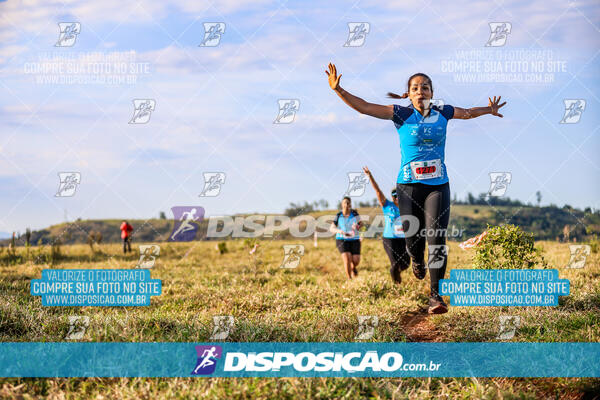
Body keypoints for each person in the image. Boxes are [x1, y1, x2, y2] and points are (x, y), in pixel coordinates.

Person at [326, 63, 505, 314]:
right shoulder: (400, 113)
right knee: (413, 240)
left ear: (432, 92)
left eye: (425, 87)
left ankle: (436, 296)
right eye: (415, 88)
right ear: (408, 94)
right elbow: (365, 107)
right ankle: (417, 260)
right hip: (408, 187)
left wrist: (489, 109)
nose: (420, 91)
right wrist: (339, 90)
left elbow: (467, 112)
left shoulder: (444, 112)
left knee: (437, 238)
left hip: (438, 186)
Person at [362, 166, 410, 284]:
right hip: (389, 239)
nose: (397, 198)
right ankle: (397, 286)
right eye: (394, 196)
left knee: (406, 264)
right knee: (394, 264)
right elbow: (378, 191)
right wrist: (370, 177)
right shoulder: (387, 205)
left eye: (398, 195)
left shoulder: (407, 206)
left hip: (403, 239)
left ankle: (397, 274)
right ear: (392, 197)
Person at [330, 196, 363, 279]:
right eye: (345, 203)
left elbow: (361, 224)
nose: (346, 204)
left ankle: (353, 267)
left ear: (350, 205)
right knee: (346, 258)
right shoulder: (338, 215)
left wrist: (357, 226)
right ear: (342, 204)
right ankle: (349, 278)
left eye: (348, 203)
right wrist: (339, 231)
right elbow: (331, 228)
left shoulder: (354, 213)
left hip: (354, 239)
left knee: (356, 260)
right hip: (341, 239)